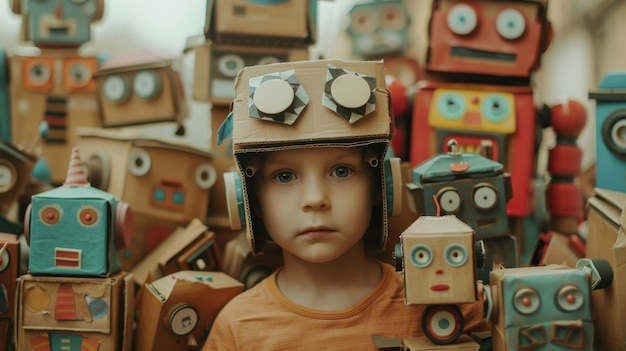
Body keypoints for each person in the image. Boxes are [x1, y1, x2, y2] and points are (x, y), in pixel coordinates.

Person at [202, 60, 487, 350]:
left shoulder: (458, 305)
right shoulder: (238, 329)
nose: (315, 199)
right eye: (284, 176)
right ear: (249, 199)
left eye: (341, 171)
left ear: (381, 187)